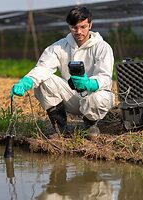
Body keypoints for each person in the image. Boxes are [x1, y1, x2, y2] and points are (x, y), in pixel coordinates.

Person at [10, 6, 114, 137]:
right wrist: (27, 81)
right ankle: (60, 128)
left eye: (83, 27)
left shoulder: (102, 47)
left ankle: (90, 125)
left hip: (93, 96)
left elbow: (105, 77)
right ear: (69, 26)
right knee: (44, 81)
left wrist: (90, 83)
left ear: (90, 25)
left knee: (98, 98)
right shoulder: (59, 46)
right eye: (74, 27)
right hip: (72, 97)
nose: (79, 31)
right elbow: (43, 68)